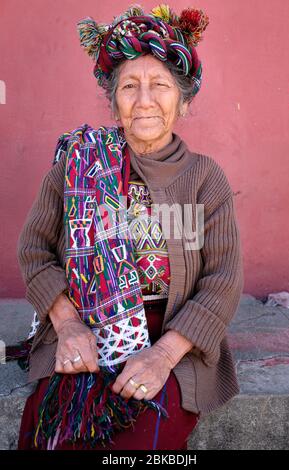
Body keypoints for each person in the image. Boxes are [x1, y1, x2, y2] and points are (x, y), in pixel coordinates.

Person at [15, 4, 244, 450]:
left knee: (141, 439)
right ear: (113, 99)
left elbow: (223, 281)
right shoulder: (77, 164)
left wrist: (162, 356)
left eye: (160, 85)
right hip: (85, 327)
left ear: (184, 99)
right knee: (56, 431)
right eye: (129, 87)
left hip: (175, 337)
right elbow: (34, 252)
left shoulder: (204, 176)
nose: (144, 100)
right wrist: (66, 326)